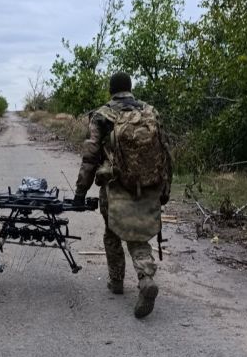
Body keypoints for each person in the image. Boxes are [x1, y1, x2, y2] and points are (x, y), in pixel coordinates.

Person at [73, 72, 172, 318]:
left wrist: (80, 191)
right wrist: (165, 188)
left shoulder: (102, 115)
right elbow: (165, 151)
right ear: (130, 87)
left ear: (111, 90)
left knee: (113, 231)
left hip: (115, 184)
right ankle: (145, 276)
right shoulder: (150, 112)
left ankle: (117, 280)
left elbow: (90, 157)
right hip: (148, 184)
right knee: (138, 234)